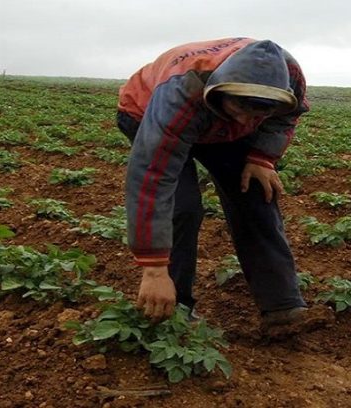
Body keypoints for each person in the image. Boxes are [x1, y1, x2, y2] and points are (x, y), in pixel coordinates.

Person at [116, 38, 309, 327]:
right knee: (182, 207)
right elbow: (153, 177)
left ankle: (281, 306)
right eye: (240, 108)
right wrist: (154, 268)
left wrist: (262, 157)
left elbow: (287, 115)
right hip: (147, 112)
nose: (245, 120)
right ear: (219, 90)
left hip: (216, 121)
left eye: (258, 112)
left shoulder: (288, 77)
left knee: (254, 192)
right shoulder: (183, 92)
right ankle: (172, 308)